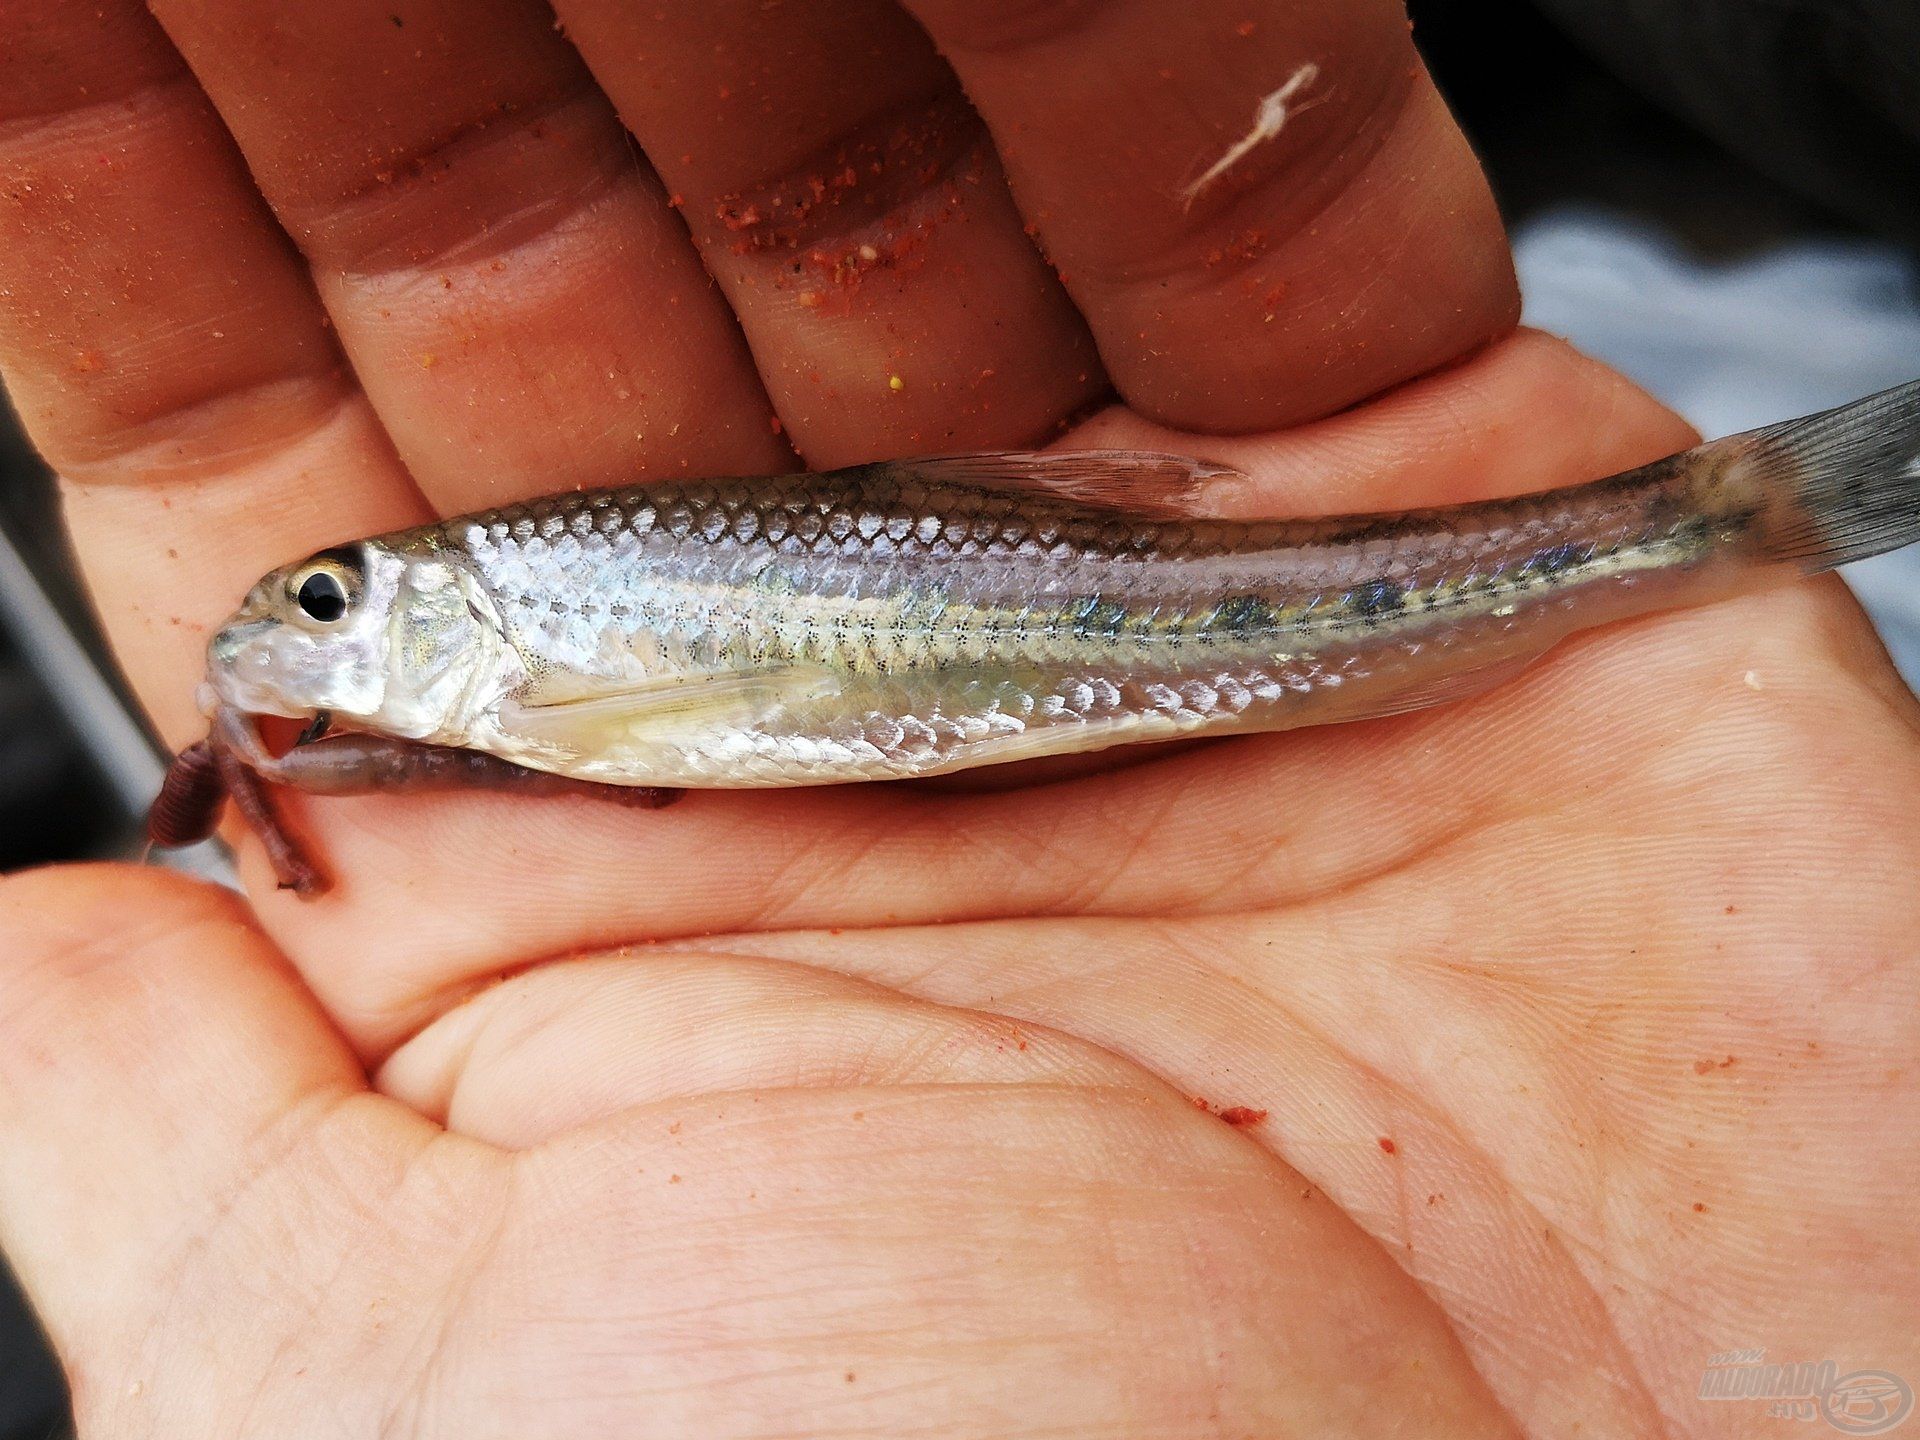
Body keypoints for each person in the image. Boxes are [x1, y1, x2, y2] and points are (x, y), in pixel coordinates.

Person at [0, 1, 1913, 1434]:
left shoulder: (537, 662)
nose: (292, 636)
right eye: (312, 609)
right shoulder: (539, 695)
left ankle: (1708, 525)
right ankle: (1699, 529)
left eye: (331, 600)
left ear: (443, 613)